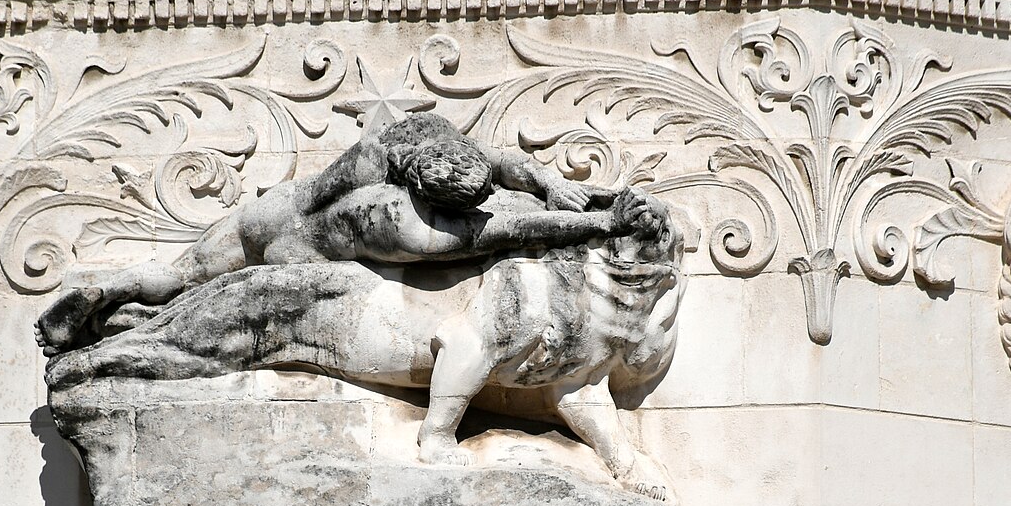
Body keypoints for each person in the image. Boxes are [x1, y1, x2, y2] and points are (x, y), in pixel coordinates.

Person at [36, 112, 605, 354]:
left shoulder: (385, 148)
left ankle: (110, 291)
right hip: (296, 258)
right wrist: (584, 215)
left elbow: (490, 159)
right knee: (201, 305)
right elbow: (512, 227)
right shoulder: (410, 228)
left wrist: (540, 181)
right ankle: (127, 322)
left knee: (180, 274)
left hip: (272, 215)